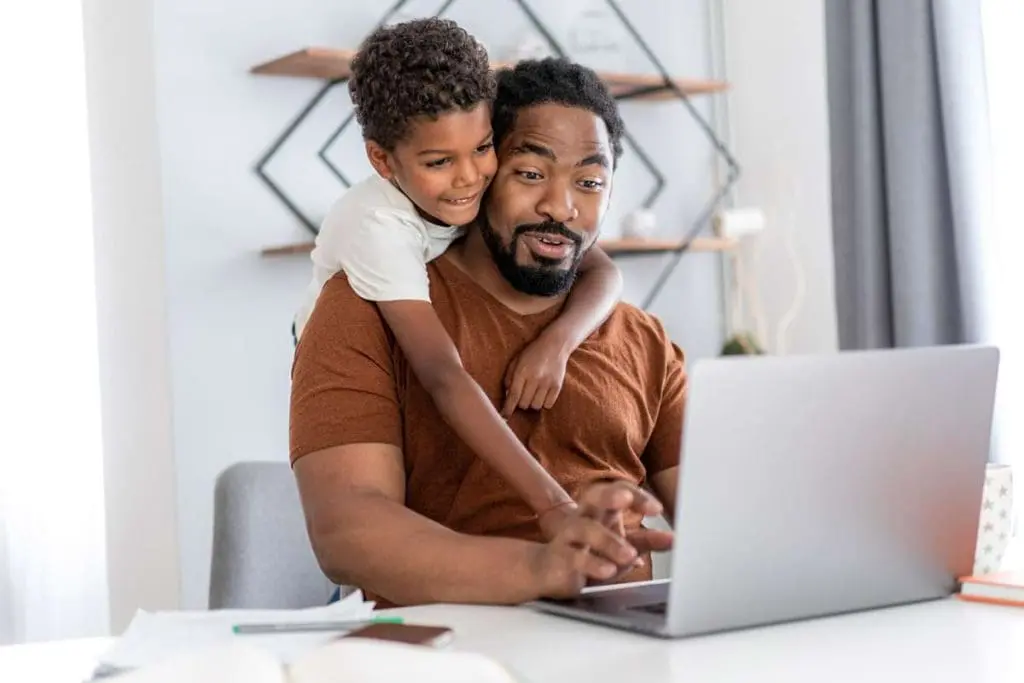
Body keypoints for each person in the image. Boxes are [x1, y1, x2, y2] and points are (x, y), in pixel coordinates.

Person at [291, 57, 686, 607]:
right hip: (450, 653)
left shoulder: (642, 339)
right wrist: (543, 567)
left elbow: (727, 519)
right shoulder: (365, 305)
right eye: (529, 173)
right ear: (485, 169)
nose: (560, 207)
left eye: (590, 182)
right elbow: (346, 532)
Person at [292, 18, 624, 537]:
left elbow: (601, 268)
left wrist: (558, 342)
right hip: (350, 370)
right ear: (382, 160)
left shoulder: (473, 196)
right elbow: (444, 377)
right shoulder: (379, 229)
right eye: (440, 160)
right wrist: (555, 505)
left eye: (483, 147)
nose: (469, 177)